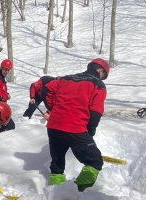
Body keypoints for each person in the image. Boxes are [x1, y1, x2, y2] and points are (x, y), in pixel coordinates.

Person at [42, 58, 108, 192]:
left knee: (57, 163)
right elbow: (96, 112)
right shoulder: (98, 85)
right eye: (104, 76)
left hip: (54, 126)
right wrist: (89, 132)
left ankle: (58, 191)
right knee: (95, 162)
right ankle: (78, 191)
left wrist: (54, 109)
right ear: (100, 71)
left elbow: (46, 89)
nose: (103, 78)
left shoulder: (66, 78)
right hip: (76, 128)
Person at [0, 59, 15, 133]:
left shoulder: (2, 78)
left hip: (1, 106)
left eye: (8, 70)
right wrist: (0, 100)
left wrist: (6, 95)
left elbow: (1, 90)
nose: (6, 72)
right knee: (10, 126)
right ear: (1, 67)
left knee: (6, 125)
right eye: (5, 69)